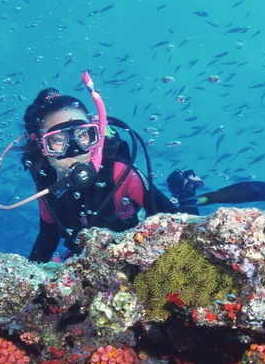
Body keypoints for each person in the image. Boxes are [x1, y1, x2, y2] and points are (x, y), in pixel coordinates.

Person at [19, 87, 182, 263]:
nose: (75, 150)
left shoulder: (119, 172)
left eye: (82, 135)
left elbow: (174, 221)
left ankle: (184, 188)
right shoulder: (47, 185)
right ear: (42, 146)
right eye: (58, 140)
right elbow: (47, 239)